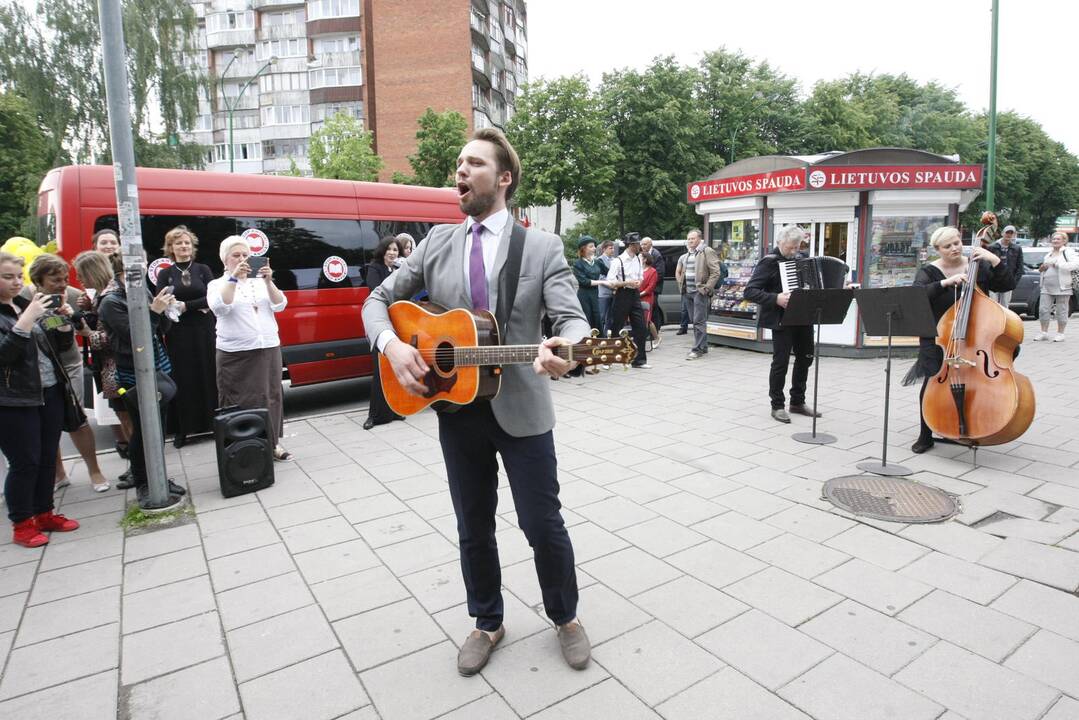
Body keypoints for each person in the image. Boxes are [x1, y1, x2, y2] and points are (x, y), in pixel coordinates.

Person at [363, 128, 593, 676]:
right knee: (473, 523)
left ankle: (565, 616)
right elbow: (378, 299)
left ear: (504, 177)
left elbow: (570, 317)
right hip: (457, 407)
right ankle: (486, 621)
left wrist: (571, 348)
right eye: (458, 164)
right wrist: (393, 348)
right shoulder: (437, 240)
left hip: (524, 407)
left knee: (542, 524)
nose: (460, 172)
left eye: (473, 164)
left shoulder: (540, 247)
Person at [77, 251, 186, 509]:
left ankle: (158, 476)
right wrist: (154, 312)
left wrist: (164, 310)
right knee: (142, 431)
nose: (145, 267)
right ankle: (143, 482)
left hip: (157, 367)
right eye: (140, 263)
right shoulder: (110, 302)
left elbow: (159, 330)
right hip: (133, 373)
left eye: (145, 262)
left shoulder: (141, 291)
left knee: (157, 429)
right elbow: (134, 337)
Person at [908, 226, 1016, 453]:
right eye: (947, 246)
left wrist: (995, 259)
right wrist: (945, 283)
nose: (954, 248)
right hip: (939, 334)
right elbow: (917, 296)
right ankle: (925, 434)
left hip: (977, 335)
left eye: (956, 243)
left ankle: (967, 426)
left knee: (977, 379)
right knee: (933, 381)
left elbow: (1006, 285)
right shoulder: (930, 271)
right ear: (938, 249)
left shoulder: (979, 265)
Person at [1, 252, 82, 547]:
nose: (14, 282)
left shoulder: (24, 305)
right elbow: (5, 354)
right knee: (25, 461)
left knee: (47, 456)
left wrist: (63, 322)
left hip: (48, 389)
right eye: (7, 277)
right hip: (14, 398)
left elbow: (55, 345)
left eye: (16, 277)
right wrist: (26, 321)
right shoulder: (21, 311)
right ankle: (22, 524)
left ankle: (44, 512)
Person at [26, 253, 111, 492]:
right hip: (40, 369)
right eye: (55, 280)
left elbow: (86, 330)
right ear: (38, 281)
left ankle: (95, 471)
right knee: (47, 423)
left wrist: (71, 316)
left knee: (76, 418)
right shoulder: (25, 298)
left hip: (69, 365)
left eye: (65, 278)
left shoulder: (73, 296)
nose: (62, 284)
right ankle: (59, 474)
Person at [208, 236, 291, 461]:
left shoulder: (259, 283)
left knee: (271, 395)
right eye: (236, 255)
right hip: (236, 352)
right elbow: (220, 307)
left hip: (268, 346)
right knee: (240, 399)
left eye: (245, 255)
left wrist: (268, 281)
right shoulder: (217, 284)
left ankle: (273, 443)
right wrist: (234, 278)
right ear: (225, 260)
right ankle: (244, 448)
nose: (242, 259)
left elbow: (280, 304)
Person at [745, 225, 821, 423]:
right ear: (780, 242)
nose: (794, 251)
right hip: (782, 319)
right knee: (781, 362)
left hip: (803, 317)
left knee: (806, 358)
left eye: (797, 247)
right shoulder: (768, 262)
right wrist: (775, 298)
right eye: (790, 247)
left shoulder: (802, 258)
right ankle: (777, 405)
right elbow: (750, 291)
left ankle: (797, 401)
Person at [157, 226, 218, 448]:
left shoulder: (203, 269)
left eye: (187, 243)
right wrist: (192, 306)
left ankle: (213, 423)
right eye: (179, 243)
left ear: (192, 247)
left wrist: (186, 306)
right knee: (182, 378)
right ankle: (183, 429)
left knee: (208, 374)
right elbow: (162, 301)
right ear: (171, 248)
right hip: (178, 333)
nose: (184, 246)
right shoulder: (165, 273)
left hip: (204, 331)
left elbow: (212, 298)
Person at [364, 236, 403, 430]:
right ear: (383, 251)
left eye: (396, 250)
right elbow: (376, 291)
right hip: (380, 323)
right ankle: (375, 415)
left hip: (398, 322)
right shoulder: (375, 268)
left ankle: (394, 410)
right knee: (379, 370)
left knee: (395, 369)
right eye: (389, 249)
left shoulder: (398, 269)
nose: (392, 253)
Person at [605, 232, 650, 369]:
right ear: (631, 245)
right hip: (622, 294)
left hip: (634, 294)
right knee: (615, 327)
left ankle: (639, 360)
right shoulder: (617, 261)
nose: (640, 246)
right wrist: (626, 282)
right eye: (638, 244)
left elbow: (640, 276)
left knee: (641, 327)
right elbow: (610, 282)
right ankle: (608, 360)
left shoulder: (637, 259)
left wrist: (639, 282)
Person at [683, 229, 722, 361]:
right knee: (694, 321)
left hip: (699, 292)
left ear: (699, 239)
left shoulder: (707, 251)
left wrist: (706, 288)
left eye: (692, 239)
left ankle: (697, 350)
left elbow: (715, 272)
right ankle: (703, 346)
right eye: (688, 239)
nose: (690, 241)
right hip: (688, 292)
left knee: (699, 321)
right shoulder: (689, 253)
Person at [1032, 230, 1079, 342]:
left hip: (1063, 286)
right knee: (1043, 309)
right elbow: (1044, 268)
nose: (1055, 241)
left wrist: (1056, 264)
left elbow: (1075, 265)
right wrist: (1042, 268)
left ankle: (1060, 333)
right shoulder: (1049, 253)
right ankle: (1043, 332)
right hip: (1046, 286)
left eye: (1058, 239)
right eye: (1053, 239)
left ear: (1064, 241)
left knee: (1061, 310)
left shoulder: (1068, 252)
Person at [571, 235, 608, 334]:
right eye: (591, 246)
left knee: (597, 318)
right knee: (587, 317)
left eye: (594, 246)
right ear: (583, 249)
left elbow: (609, 272)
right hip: (584, 295)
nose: (594, 248)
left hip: (595, 294)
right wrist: (602, 282)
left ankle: (600, 344)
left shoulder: (597, 262)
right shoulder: (578, 264)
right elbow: (584, 282)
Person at [989, 225, 1024, 307]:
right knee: (993, 306)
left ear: (1014, 235)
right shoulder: (992, 247)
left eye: (1011, 233)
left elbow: (1020, 267)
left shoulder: (1017, 248)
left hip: (1007, 281)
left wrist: (1014, 282)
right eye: (1007, 232)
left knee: (1005, 307)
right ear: (1002, 233)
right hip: (994, 281)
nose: (1009, 235)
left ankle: (1004, 320)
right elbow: (987, 265)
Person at [639, 237, 666, 327]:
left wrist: (650, 283)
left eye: (645, 244)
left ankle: (655, 330)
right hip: (644, 288)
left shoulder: (656, 255)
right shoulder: (641, 254)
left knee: (653, 309)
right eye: (641, 244)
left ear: (651, 244)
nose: (642, 246)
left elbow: (660, 273)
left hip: (653, 288)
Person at [639, 252, 661, 348]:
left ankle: (656, 338)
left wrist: (640, 294)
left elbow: (651, 287)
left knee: (647, 320)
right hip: (636, 297)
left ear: (645, 259)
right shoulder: (638, 270)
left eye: (640, 257)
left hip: (646, 297)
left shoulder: (653, 271)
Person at [595, 240, 616, 334]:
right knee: (602, 316)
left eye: (613, 248)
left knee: (611, 318)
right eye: (610, 248)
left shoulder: (615, 260)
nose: (613, 250)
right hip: (603, 293)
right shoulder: (599, 260)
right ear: (604, 249)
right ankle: (599, 336)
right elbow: (600, 278)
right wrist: (612, 286)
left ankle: (608, 336)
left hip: (614, 293)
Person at [674, 248, 690, 335]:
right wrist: (680, 282)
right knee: (684, 309)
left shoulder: (700, 256)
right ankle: (683, 327)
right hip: (685, 287)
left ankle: (697, 328)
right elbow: (677, 271)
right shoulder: (683, 257)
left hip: (696, 287)